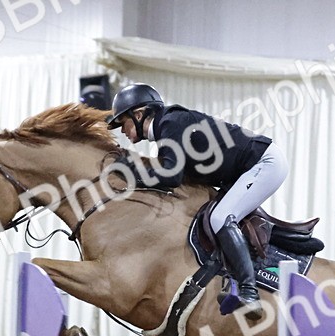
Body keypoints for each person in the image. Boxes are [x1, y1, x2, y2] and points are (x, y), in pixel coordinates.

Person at [106, 83, 288, 321]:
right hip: (248, 168)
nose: (123, 130)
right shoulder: (167, 129)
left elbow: (171, 176)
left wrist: (131, 171)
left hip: (264, 163)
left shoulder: (170, 123)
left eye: (123, 123)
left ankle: (249, 292)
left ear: (138, 115)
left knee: (221, 218)